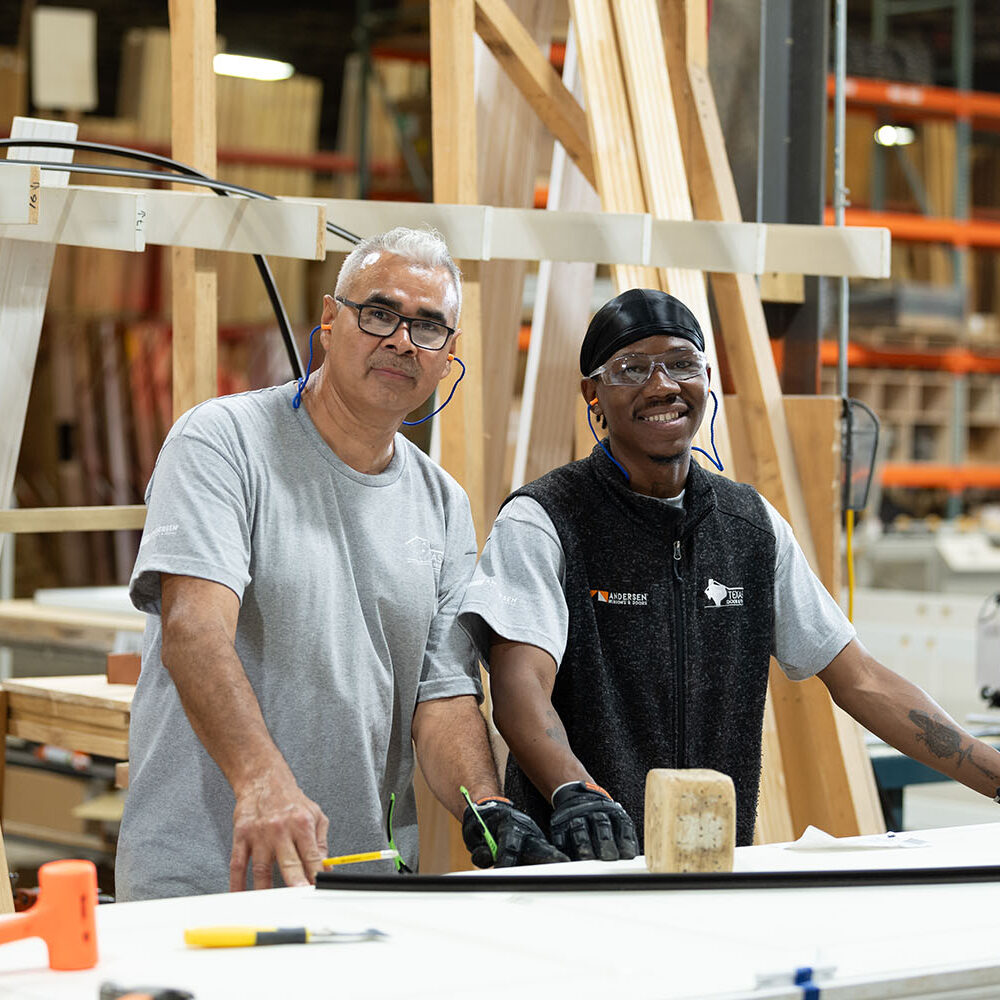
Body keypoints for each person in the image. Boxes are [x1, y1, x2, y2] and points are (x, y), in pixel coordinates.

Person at [458, 287, 1000, 861]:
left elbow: (860, 679)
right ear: (593, 393)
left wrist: (995, 775)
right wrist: (577, 790)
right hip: (579, 861)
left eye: (681, 364)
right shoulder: (545, 519)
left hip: (711, 864)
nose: (662, 385)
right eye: (631, 369)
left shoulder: (750, 527)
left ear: (707, 378)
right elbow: (520, 691)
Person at [116, 227, 565, 901]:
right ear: (329, 321)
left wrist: (489, 810)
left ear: (449, 355)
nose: (402, 341)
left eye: (429, 327)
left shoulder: (442, 503)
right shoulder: (223, 443)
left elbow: (441, 698)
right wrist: (261, 780)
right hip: (207, 877)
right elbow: (194, 631)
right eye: (379, 313)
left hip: (359, 885)